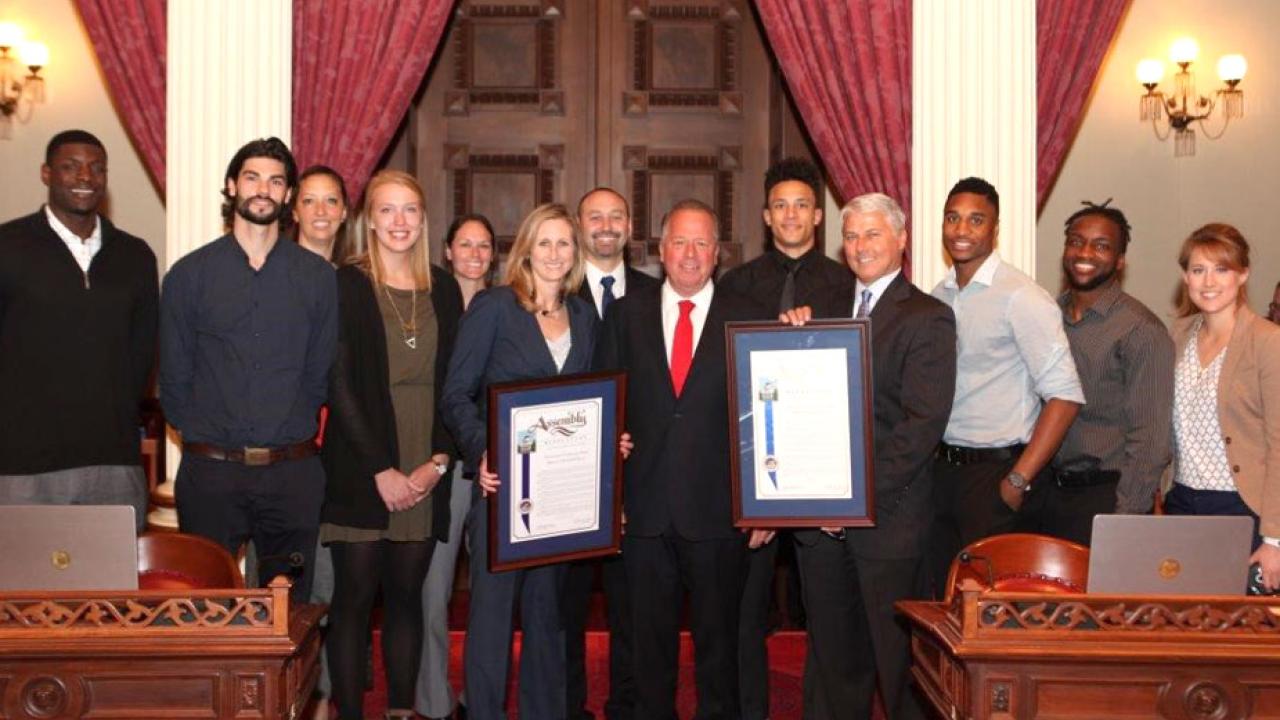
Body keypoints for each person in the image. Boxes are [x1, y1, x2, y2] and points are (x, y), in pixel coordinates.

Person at [595, 199, 770, 720]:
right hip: (643, 514)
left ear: (717, 253)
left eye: (701, 243)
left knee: (721, 652)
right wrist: (610, 491)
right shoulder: (625, 315)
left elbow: (770, 417)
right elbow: (605, 405)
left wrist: (768, 506)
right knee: (648, 653)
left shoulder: (750, 316)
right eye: (679, 242)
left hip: (721, 514)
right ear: (660, 250)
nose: (690, 254)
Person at [782, 193, 954, 720]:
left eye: (873, 234)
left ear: (901, 240)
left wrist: (852, 499)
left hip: (888, 522)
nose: (860, 246)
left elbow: (920, 428)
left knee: (900, 666)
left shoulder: (928, 317)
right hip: (819, 527)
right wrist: (789, 342)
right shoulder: (820, 312)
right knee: (832, 661)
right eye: (852, 235)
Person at [159, 137, 337, 602]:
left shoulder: (317, 278)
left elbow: (319, 372)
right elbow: (174, 377)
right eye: (253, 177)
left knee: (288, 610)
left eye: (276, 181)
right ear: (232, 185)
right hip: (212, 474)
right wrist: (204, 434)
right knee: (205, 609)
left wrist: (288, 430)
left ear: (288, 195)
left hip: (292, 475)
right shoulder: (189, 276)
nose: (263, 189)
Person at [441, 203, 597, 720]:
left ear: (575, 252)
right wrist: (482, 449)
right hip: (504, 487)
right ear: (527, 249)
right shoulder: (495, 307)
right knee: (491, 618)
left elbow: (591, 398)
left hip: (560, 496)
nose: (554, 253)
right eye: (544, 242)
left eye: (564, 243)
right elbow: (455, 395)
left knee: (547, 618)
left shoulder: (583, 315)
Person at [319, 170, 461, 720]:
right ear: (369, 221)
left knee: (407, 598)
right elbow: (338, 384)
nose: (399, 221)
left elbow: (457, 383)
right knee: (354, 602)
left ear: (423, 220)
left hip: (426, 457)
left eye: (409, 210)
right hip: (361, 463)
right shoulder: (347, 284)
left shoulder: (442, 288)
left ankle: (402, 711)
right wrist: (381, 469)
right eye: (386, 209)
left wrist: (438, 462)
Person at [718, 158, 853, 719]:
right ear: (766, 215)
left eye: (801, 204)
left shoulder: (848, 285)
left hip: (824, 473)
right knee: (745, 613)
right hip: (755, 472)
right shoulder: (735, 285)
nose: (791, 214)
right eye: (780, 205)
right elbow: (724, 386)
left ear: (818, 216)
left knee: (828, 612)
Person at [928, 177, 1083, 598]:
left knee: (993, 608)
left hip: (996, 473)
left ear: (994, 230)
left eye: (976, 220)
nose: (962, 229)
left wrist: (1017, 479)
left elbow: (1065, 395)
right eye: (953, 218)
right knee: (945, 600)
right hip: (944, 472)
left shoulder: (1021, 296)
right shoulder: (939, 296)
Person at [0, 129, 158, 531]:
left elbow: (142, 356)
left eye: (96, 168)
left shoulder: (136, 255)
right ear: (46, 173)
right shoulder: (7, 246)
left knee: (112, 573)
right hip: (21, 466)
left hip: (113, 462)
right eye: (70, 167)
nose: (85, 177)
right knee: (24, 574)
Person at [1023, 201, 1174, 546]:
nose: (1085, 252)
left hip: (1104, 498)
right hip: (1044, 492)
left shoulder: (1141, 330)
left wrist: (1125, 519)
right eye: (1076, 241)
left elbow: (1151, 439)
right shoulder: (1047, 316)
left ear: (1120, 260)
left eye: (1101, 246)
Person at [564, 186, 656, 720]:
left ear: (630, 225)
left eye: (615, 216)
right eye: (594, 216)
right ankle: (568, 707)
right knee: (566, 607)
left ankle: (627, 705)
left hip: (638, 479)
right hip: (568, 477)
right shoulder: (554, 289)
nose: (605, 225)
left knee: (634, 608)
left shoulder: (656, 293)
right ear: (579, 225)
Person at [1166, 223, 1280, 591]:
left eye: (1222, 269)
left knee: (1239, 622)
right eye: (1198, 270)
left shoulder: (1268, 342)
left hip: (1243, 509)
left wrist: (1275, 539)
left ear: (1243, 273)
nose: (1209, 281)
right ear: (1186, 277)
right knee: (1183, 616)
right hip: (1181, 502)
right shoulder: (1176, 335)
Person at [414, 212, 496, 720]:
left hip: (492, 466)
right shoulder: (427, 307)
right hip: (441, 465)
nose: (474, 254)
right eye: (465, 244)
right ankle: (434, 699)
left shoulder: (508, 306)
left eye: (484, 245)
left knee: (490, 592)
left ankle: (477, 695)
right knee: (434, 588)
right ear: (447, 250)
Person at [293, 164, 350, 263]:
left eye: (331, 200)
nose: (320, 211)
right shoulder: (275, 269)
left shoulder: (353, 272)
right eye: (309, 201)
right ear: (295, 213)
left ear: (344, 212)